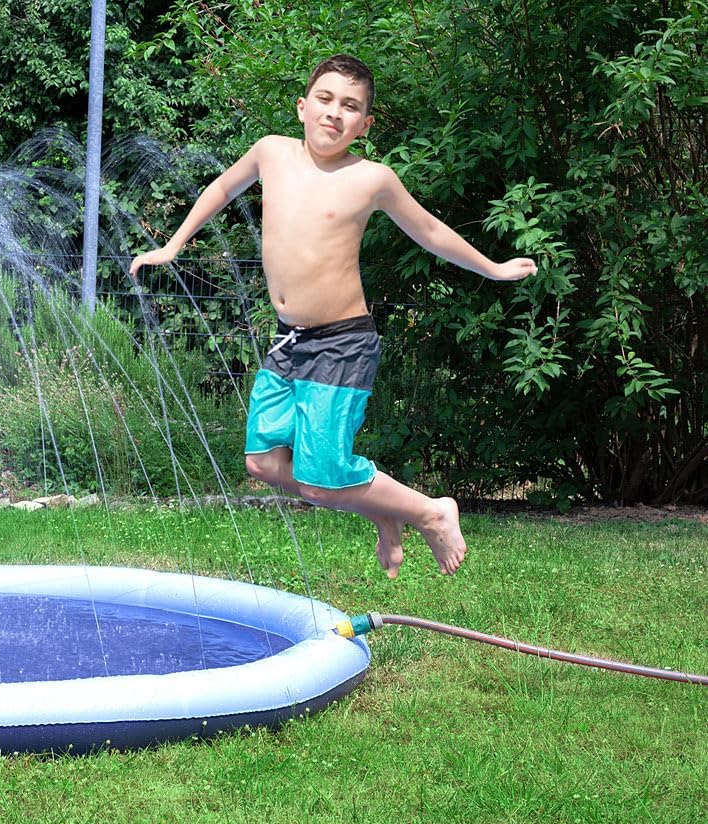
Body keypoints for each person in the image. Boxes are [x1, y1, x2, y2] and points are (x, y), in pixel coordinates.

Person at [130, 55, 536, 577]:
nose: (334, 113)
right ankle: (383, 512)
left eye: (350, 106)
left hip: (343, 342)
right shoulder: (271, 152)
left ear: (364, 125)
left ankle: (431, 512)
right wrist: (172, 245)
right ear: (302, 106)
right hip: (288, 339)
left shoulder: (371, 179)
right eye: (324, 99)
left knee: (321, 481)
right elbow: (222, 188)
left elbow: (431, 232)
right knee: (263, 462)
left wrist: (494, 270)